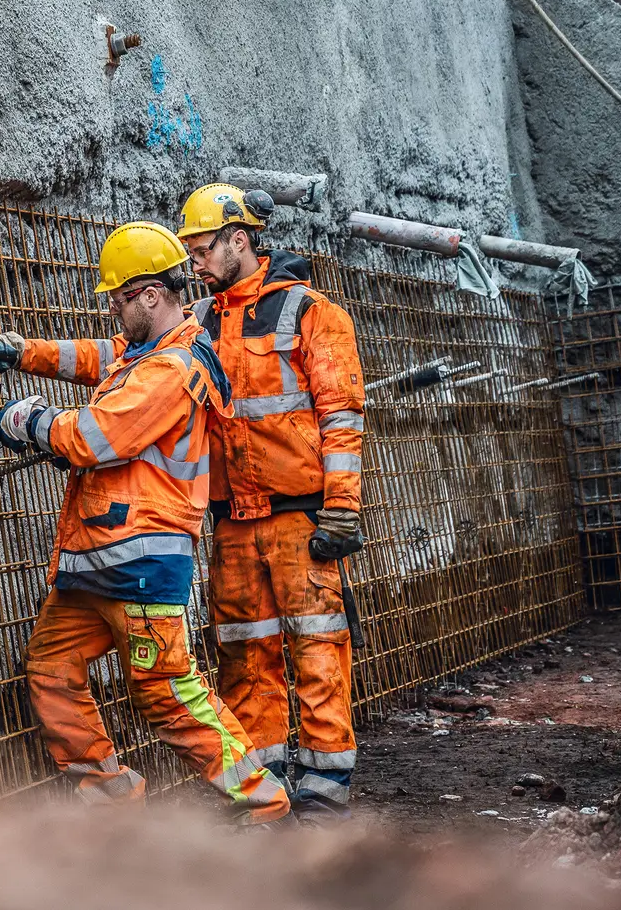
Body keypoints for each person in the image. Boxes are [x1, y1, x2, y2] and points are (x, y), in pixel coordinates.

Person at [0, 220, 292, 827]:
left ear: (149, 295)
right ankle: (111, 804)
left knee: (167, 694)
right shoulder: (143, 351)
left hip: (141, 565)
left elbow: (95, 436)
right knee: (51, 669)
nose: (113, 312)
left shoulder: (170, 368)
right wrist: (25, 352)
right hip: (96, 564)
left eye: (119, 300)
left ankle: (264, 804)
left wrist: (28, 420)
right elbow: (97, 358)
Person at [175, 182, 367, 822]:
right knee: (243, 658)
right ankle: (266, 793)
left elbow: (341, 417)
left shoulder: (312, 312)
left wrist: (341, 507)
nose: (196, 264)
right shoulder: (196, 322)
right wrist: (35, 356)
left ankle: (324, 797)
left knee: (317, 648)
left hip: (299, 518)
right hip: (233, 522)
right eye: (190, 253)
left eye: (203, 250)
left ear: (240, 240)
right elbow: (124, 356)